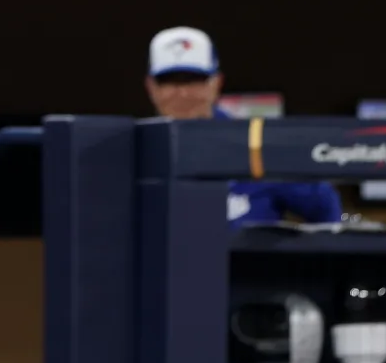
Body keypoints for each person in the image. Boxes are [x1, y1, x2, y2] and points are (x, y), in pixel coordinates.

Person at [144, 27, 342, 228]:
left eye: (194, 80)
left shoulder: (256, 144)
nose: (183, 94)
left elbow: (324, 208)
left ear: (216, 83)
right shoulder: (136, 150)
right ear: (151, 87)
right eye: (169, 82)